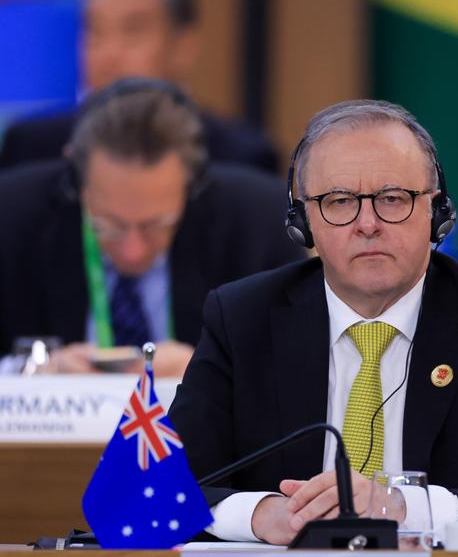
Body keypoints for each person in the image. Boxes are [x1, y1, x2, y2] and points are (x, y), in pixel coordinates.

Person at [168, 100, 458, 544]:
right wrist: (262, 514)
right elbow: (161, 489)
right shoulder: (243, 318)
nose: (368, 224)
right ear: (303, 222)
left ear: (436, 212)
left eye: (393, 199)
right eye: (339, 202)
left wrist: (401, 507)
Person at [0, 78, 304, 377]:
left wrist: (212, 372)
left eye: (156, 225)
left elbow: (296, 365)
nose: (133, 251)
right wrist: (35, 373)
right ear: (76, 185)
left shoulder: (256, 223)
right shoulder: (11, 217)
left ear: (193, 185)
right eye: (110, 226)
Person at [0, 0, 277, 173]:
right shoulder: (30, 147)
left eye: (132, 31)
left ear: (183, 46)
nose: (108, 53)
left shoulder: (241, 157)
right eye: (95, 31)